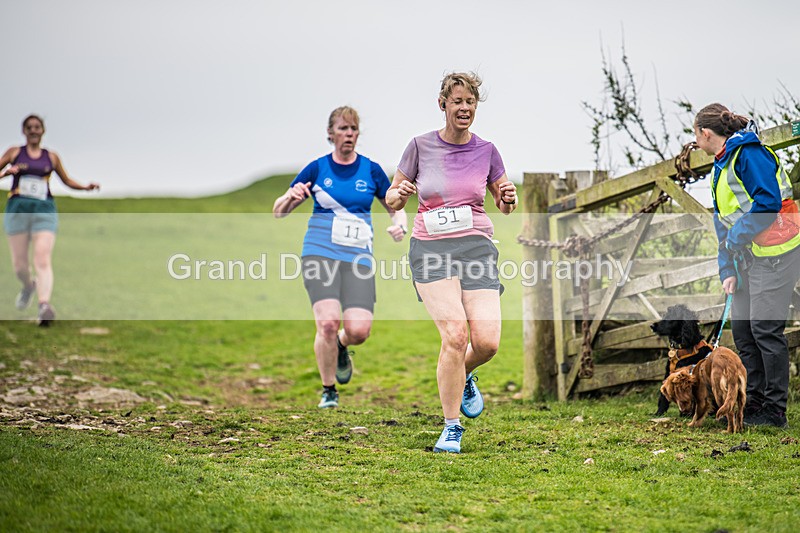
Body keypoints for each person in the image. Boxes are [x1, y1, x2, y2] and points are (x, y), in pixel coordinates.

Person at [385, 72, 517, 453]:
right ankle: (451, 427)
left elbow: (505, 205)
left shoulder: (487, 150)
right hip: (431, 249)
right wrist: (400, 192)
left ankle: (466, 375)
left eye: (470, 102)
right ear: (442, 104)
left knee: (488, 343)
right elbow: (394, 199)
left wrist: (509, 197)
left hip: (476, 248)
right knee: (455, 336)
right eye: (457, 101)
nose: (464, 108)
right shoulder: (419, 146)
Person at [273, 106, 407, 409]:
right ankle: (329, 389)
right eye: (343, 129)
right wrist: (290, 199)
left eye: (353, 129)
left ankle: (343, 346)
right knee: (329, 323)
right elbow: (279, 211)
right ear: (330, 134)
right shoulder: (317, 169)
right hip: (319, 253)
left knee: (359, 330)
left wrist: (399, 223)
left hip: (358, 257)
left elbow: (394, 203)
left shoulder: (371, 170)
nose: (349, 134)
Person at [694, 103, 800, 428]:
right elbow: (722, 222)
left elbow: (767, 202)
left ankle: (774, 409)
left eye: (694, 133)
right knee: (742, 331)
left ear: (705, 133)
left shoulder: (748, 155)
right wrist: (726, 269)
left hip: (777, 252)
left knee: (765, 330)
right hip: (746, 259)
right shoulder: (721, 164)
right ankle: (750, 401)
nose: (694, 140)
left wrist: (738, 238)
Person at [1, 115, 100, 326]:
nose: (34, 131)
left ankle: (44, 306)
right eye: (30, 127)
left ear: (43, 130)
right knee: (20, 267)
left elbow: (66, 180)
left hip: (44, 211)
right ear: (24, 131)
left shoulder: (51, 157)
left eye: (37, 127)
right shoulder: (14, 153)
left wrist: (85, 187)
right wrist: (6, 173)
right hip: (18, 210)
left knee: (42, 259)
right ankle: (29, 286)